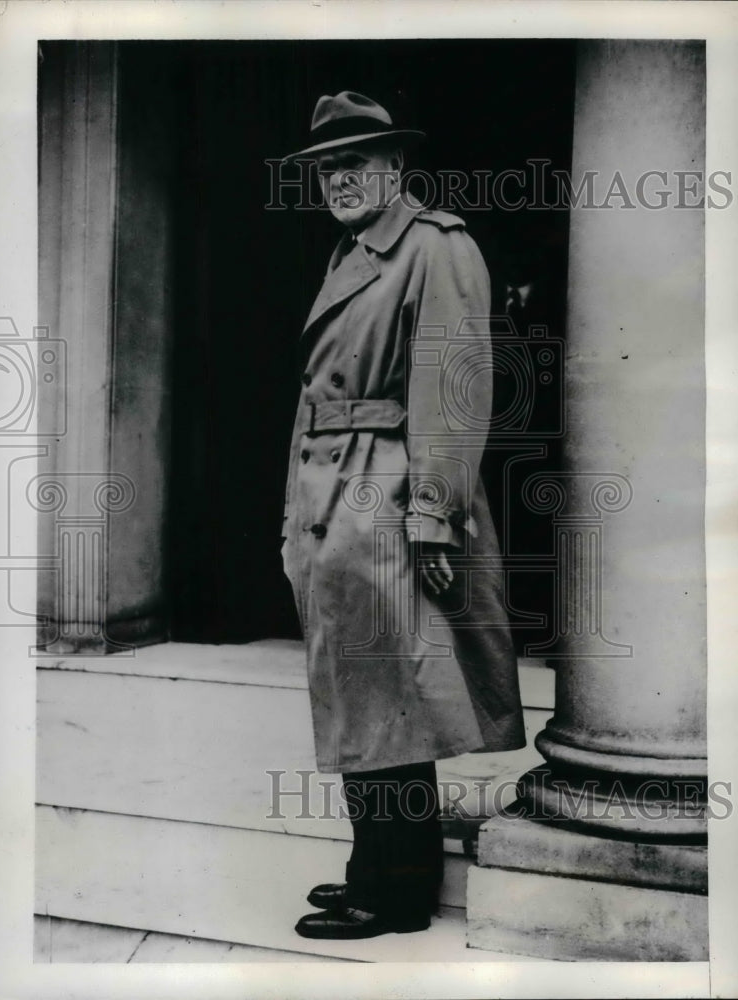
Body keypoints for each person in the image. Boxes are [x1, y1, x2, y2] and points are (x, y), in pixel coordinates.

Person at [279, 91, 526, 940]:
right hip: (332, 500)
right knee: (360, 694)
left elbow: (452, 397)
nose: (337, 181)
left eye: (353, 164)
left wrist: (431, 519)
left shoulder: (434, 247)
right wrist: (292, 520)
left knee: (394, 698)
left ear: (394, 167)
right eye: (324, 170)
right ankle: (369, 868)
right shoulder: (355, 250)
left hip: (384, 497)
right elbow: (313, 408)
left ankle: (397, 891)